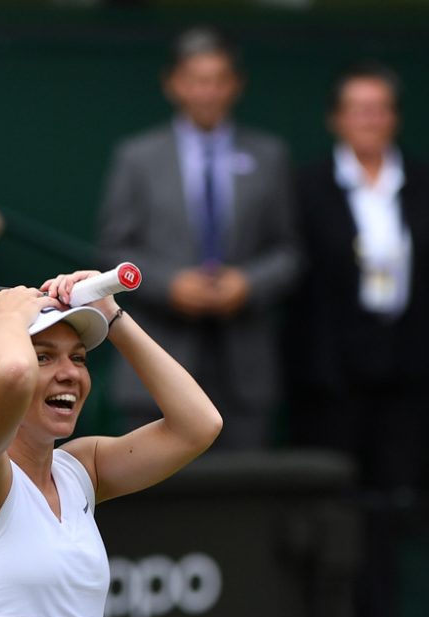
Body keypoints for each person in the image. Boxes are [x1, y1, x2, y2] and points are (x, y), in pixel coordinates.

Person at [0, 272, 221, 617]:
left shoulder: (81, 472)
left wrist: (113, 317)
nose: (70, 374)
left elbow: (199, 424)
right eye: (43, 356)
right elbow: (11, 375)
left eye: (78, 357)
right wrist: (6, 320)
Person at [96, 26, 299, 450]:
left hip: (244, 366)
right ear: (174, 84)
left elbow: (289, 251)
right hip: (157, 359)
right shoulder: (137, 157)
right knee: (156, 507)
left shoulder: (270, 155)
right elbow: (114, 249)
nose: (207, 92)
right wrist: (169, 284)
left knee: (241, 502)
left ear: (235, 85)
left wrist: (248, 283)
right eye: (196, 80)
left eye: (218, 80)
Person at [288, 62, 429, 617]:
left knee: (392, 512)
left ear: (394, 117)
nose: (369, 120)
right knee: (336, 511)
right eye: (358, 108)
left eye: (380, 108)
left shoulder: (420, 182)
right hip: (333, 382)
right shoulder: (308, 185)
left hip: (406, 378)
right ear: (337, 119)